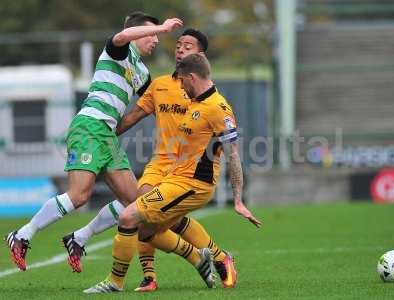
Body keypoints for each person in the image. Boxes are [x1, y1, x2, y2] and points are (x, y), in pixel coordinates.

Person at [4, 12, 183, 271]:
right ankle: (22, 234)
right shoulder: (118, 50)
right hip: (89, 126)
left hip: (106, 135)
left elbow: (153, 104)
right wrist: (164, 27)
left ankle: (79, 237)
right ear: (138, 33)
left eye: (156, 34)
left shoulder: (142, 72)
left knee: (133, 203)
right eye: (151, 33)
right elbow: (123, 35)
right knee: (79, 195)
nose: (155, 39)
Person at [64, 29, 239, 292]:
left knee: (147, 219)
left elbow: (223, 140)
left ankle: (213, 256)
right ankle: (151, 275)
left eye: (187, 46)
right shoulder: (159, 85)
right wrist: (102, 133)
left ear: (201, 57)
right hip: (160, 163)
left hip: (185, 171)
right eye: (178, 44)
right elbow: (134, 115)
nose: (180, 49)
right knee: (141, 214)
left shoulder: (203, 94)